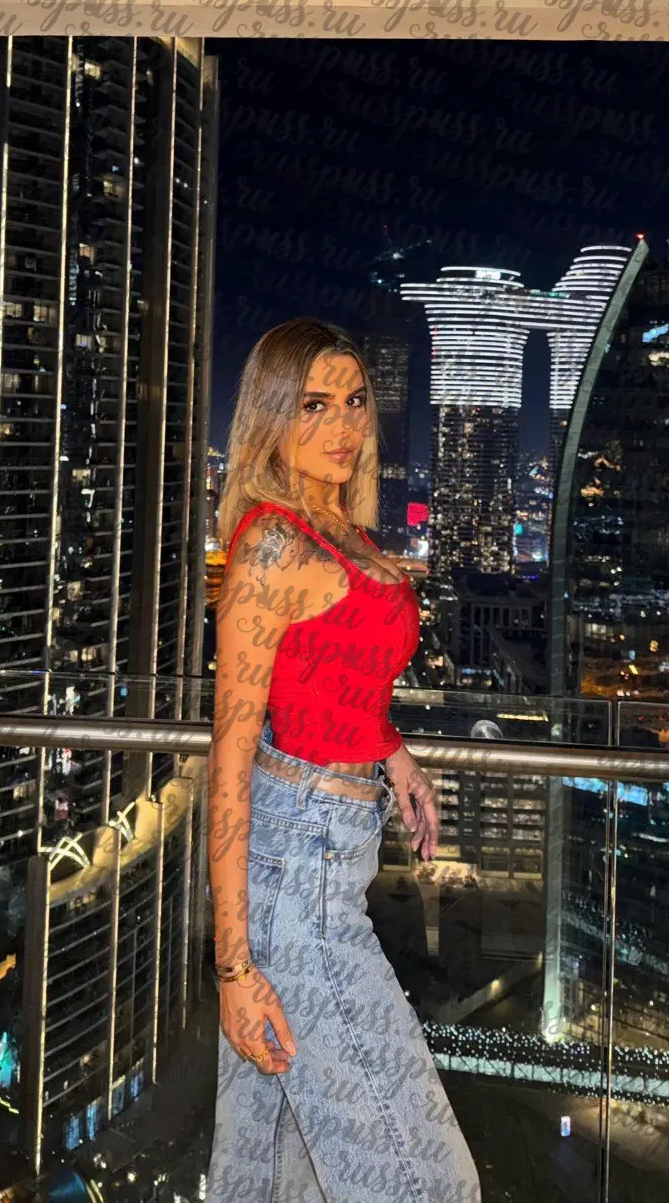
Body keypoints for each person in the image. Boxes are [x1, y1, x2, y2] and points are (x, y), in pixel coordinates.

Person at [205, 318, 481, 1202]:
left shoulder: (341, 531)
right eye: (314, 405)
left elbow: (335, 677)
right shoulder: (273, 542)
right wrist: (234, 969)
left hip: (334, 849)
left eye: (355, 401)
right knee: (431, 1183)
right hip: (298, 881)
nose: (344, 424)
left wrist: (392, 753)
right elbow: (231, 756)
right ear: (272, 416)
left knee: (270, 1179)